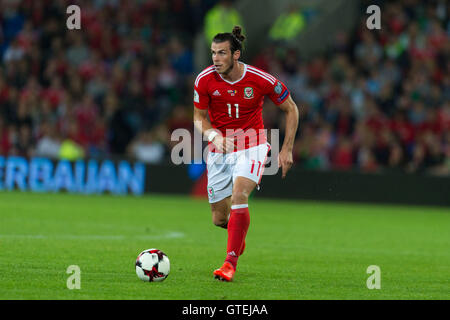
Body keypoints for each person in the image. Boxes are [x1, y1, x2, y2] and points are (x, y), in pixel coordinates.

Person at [193, 26, 299, 281]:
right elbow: (198, 118)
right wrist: (213, 135)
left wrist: (286, 149)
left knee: (240, 193)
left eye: (221, 53)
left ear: (236, 54)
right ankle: (236, 236)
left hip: (253, 144)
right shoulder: (204, 80)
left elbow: (291, 108)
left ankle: (230, 263)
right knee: (219, 218)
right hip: (220, 148)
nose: (215, 59)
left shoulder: (261, 79)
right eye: (213, 53)